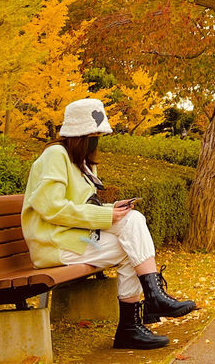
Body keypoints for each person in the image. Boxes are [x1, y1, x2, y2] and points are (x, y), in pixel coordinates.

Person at [21, 98, 196, 350]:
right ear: (78, 134)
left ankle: (133, 325)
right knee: (132, 237)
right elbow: (51, 208)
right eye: (92, 135)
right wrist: (105, 216)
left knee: (131, 232)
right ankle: (148, 304)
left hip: (75, 238)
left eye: (98, 135)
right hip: (54, 243)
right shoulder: (55, 156)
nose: (96, 141)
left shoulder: (79, 161)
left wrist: (110, 210)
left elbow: (81, 207)